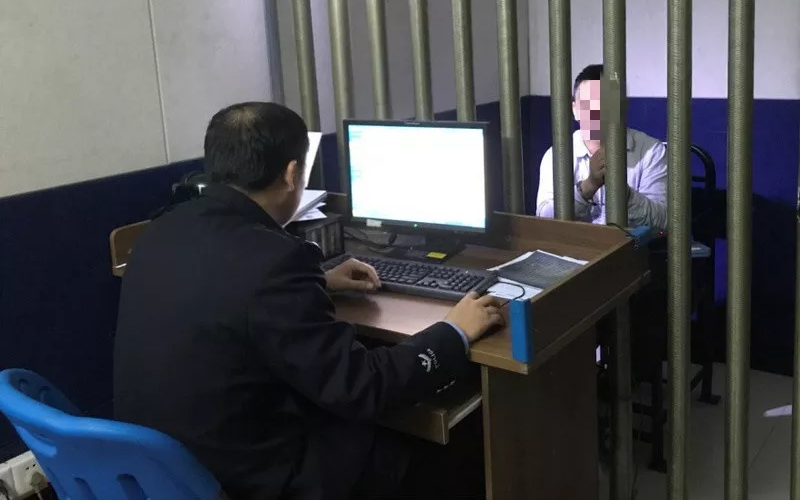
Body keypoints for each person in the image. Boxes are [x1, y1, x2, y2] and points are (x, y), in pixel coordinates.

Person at [114, 102, 503, 500]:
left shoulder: (161, 230)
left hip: (161, 475)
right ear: (292, 174)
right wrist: (454, 331)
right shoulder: (274, 263)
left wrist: (317, 281)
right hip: (248, 481)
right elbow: (363, 388)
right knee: (445, 450)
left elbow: (220, 291)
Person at [536, 64, 668, 230]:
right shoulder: (557, 155)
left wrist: (624, 194)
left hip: (632, 246)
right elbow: (543, 219)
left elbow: (664, 222)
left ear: (622, 107)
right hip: (576, 245)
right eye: (587, 104)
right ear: (575, 109)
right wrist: (588, 186)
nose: (596, 112)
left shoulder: (651, 152)